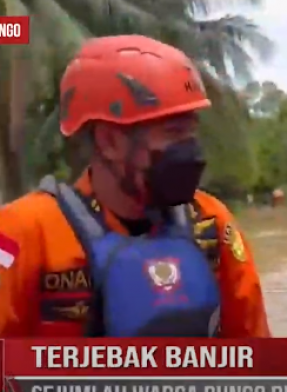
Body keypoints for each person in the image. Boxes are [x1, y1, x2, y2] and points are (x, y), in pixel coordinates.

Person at [0, 35, 271, 337]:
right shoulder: (24, 233)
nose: (190, 150)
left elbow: (256, 355)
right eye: (173, 132)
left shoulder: (211, 222)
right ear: (110, 142)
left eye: (190, 132)